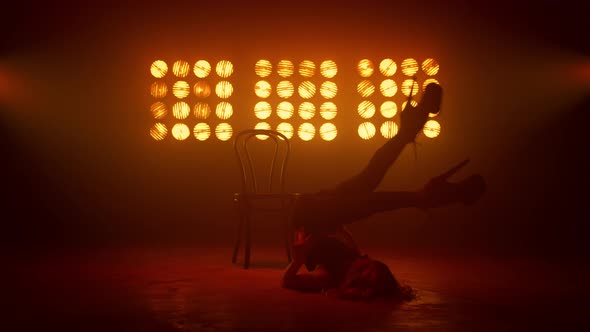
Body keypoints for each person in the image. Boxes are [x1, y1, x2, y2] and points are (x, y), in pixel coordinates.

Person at [281, 83, 486, 301]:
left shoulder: (330, 279)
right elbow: (351, 245)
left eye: (366, 272)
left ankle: (421, 189)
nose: (369, 266)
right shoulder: (353, 261)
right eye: (375, 267)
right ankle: (410, 146)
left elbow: (288, 281)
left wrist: (298, 259)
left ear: (354, 280)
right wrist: (342, 229)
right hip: (325, 211)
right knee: (370, 185)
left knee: (369, 191)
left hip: (309, 217)